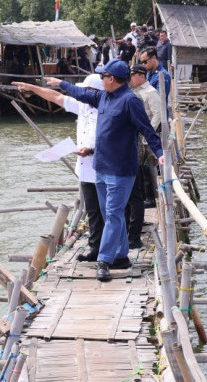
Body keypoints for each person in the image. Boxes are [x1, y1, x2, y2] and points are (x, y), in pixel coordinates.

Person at [45, 59, 164, 282]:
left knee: (114, 213)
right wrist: (60, 82)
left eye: (102, 76)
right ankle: (120, 255)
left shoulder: (131, 101)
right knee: (111, 214)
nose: (100, 79)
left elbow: (147, 130)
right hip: (100, 167)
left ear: (111, 79)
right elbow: (79, 94)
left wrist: (159, 153)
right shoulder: (102, 97)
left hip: (121, 169)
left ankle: (104, 260)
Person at [12, 74, 105, 263]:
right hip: (86, 169)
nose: (82, 94)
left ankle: (109, 250)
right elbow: (55, 96)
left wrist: (91, 150)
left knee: (108, 211)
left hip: (104, 168)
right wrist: (32, 87)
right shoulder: (83, 107)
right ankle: (96, 247)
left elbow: (115, 140)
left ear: (95, 92)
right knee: (93, 210)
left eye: (86, 90)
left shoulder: (108, 109)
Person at [124, 65, 161, 246]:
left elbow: (157, 115)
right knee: (141, 173)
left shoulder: (150, 92)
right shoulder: (135, 92)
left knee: (146, 170)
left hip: (145, 136)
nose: (131, 79)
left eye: (133, 76)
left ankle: (148, 200)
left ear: (141, 76)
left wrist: (148, 134)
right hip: (138, 136)